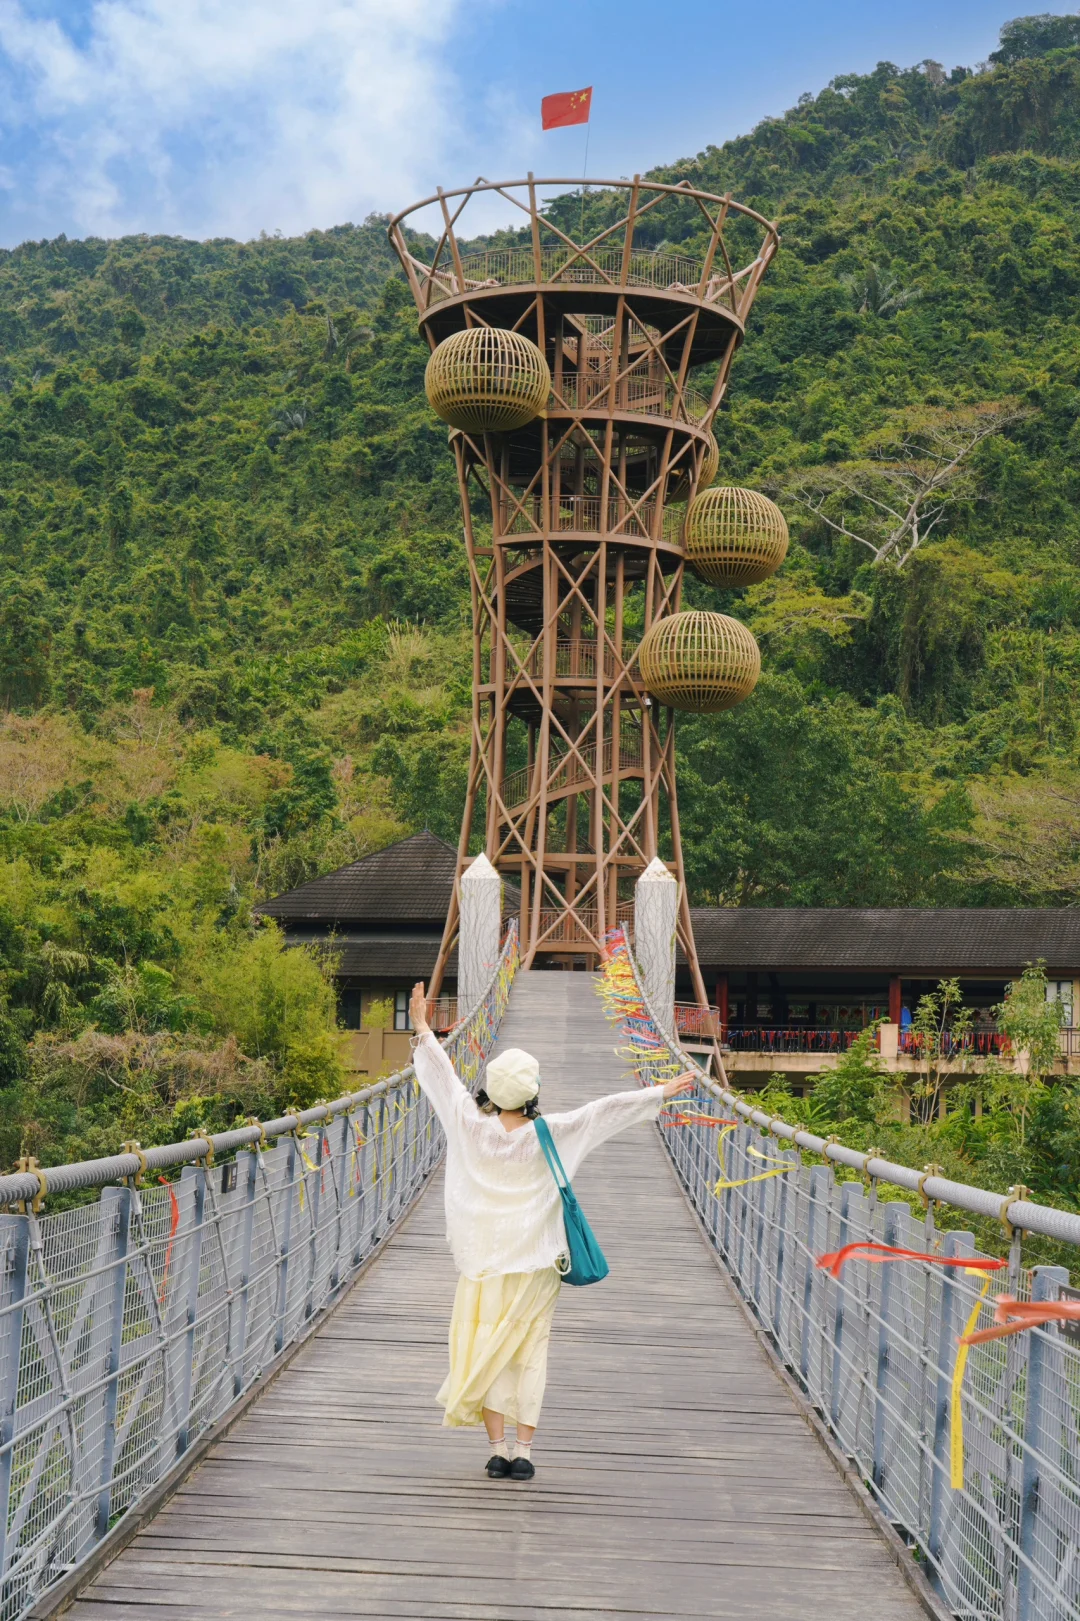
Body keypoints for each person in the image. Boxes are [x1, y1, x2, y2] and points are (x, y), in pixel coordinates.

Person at [408, 979, 695, 1482]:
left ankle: (495, 1449)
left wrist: (423, 1029)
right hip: (537, 1263)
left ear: (492, 1090)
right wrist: (658, 1092)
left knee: (486, 1347)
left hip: (482, 1264)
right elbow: (601, 1112)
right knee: (527, 1350)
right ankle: (523, 1452)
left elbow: (445, 1081)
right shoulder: (551, 1132)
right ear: (534, 1092)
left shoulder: (468, 1124)